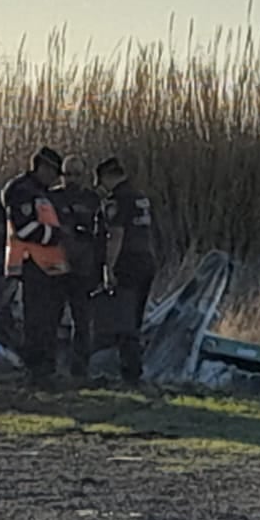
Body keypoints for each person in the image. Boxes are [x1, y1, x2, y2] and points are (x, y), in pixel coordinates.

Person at [1, 147, 69, 383]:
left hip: (50, 266)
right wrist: (57, 236)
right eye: (54, 172)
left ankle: (46, 368)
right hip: (32, 264)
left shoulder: (41, 191)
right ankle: (36, 369)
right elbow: (25, 228)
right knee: (37, 320)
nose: (55, 179)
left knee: (50, 319)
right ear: (42, 167)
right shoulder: (21, 190)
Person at [95, 156, 157, 386]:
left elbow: (116, 234)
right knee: (136, 320)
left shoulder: (117, 199)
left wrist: (108, 268)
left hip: (128, 263)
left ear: (108, 177)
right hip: (147, 261)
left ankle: (130, 374)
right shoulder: (140, 197)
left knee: (125, 320)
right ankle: (135, 369)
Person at [52, 154, 102, 381]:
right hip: (55, 267)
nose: (71, 179)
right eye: (67, 174)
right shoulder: (52, 198)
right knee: (50, 319)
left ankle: (80, 370)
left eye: (76, 174)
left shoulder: (93, 200)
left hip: (83, 269)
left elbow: (102, 236)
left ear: (85, 176)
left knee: (82, 321)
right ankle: (50, 368)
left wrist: (100, 268)